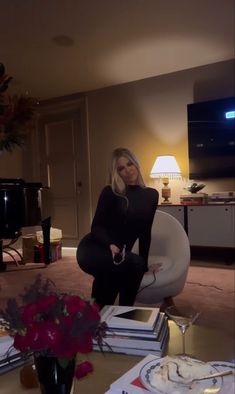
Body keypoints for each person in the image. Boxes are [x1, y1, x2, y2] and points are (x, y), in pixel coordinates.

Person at [76, 147, 159, 308]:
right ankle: (124, 313)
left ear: (136, 165)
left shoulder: (151, 195)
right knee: (132, 264)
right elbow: (96, 227)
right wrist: (110, 245)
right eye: (121, 168)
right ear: (117, 172)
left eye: (130, 164)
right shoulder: (111, 192)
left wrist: (146, 264)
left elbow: (145, 232)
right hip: (95, 247)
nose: (127, 170)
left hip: (117, 255)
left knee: (123, 271)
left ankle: (104, 315)